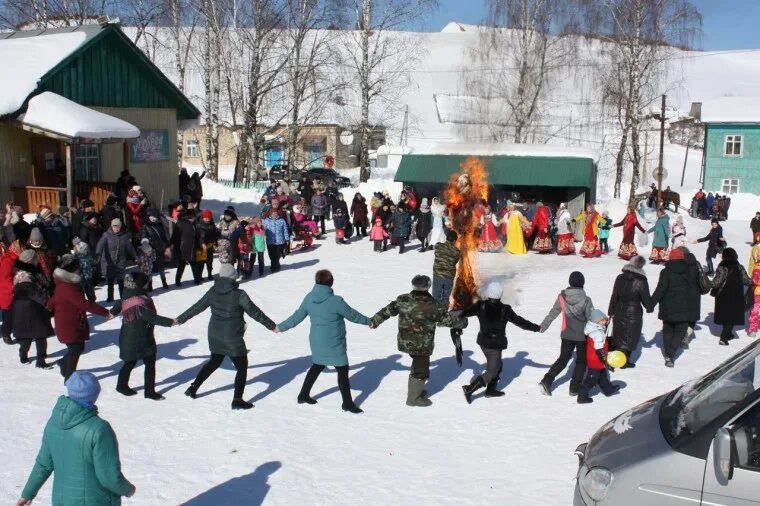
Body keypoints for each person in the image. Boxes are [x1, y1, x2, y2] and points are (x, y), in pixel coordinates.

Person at [17, 371, 136, 505]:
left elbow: (43, 464)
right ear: (94, 395)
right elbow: (108, 476)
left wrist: (28, 493)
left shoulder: (54, 423)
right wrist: (128, 489)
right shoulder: (99, 428)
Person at [179, 263, 276, 409]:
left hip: (215, 335)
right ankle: (237, 400)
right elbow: (255, 312)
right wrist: (272, 326)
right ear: (233, 277)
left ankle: (193, 387)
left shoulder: (212, 291)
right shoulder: (239, 294)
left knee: (214, 361)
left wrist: (180, 319)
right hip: (232, 338)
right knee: (242, 367)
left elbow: (197, 307)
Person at [276, 269, 371, 413]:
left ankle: (303, 394)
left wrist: (280, 327)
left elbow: (297, 316)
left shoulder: (309, 298)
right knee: (342, 370)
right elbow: (353, 315)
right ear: (331, 283)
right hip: (334, 342)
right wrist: (369, 321)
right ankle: (347, 403)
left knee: (317, 365)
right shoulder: (336, 301)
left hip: (317, 340)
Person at [371, 274, 467, 407]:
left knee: (417, 364)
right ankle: (413, 399)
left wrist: (375, 321)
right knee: (421, 370)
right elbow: (448, 320)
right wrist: (463, 322)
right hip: (422, 345)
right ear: (428, 286)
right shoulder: (434, 305)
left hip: (405, 341)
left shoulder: (403, 300)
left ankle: (416, 390)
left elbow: (387, 311)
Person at [459, 280, 540, 402]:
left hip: (483, 342)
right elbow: (520, 322)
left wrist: (454, 318)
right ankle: (469, 389)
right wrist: (536, 328)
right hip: (494, 346)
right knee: (492, 370)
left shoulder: (481, 305)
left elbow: (464, 313)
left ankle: (491, 390)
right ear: (500, 294)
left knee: (499, 365)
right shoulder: (505, 309)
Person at [111, 273, 175, 400]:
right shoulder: (138, 303)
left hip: (139, 336)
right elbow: (152, 318)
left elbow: (114, 311)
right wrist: (172, 322)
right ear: (140, 285)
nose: (148, 284)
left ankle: (127, 386)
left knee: (135, 362)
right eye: (147, 282)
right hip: (135, 339)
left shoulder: (127, 295)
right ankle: (144, 391)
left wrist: (111, 313)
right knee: (137, 362)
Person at [48, 255, 112, 380]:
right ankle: (69, 377)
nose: (79, 271)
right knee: (76, 349)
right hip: (69, 324)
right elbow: (83, 303)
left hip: (72, 322)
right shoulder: (67, 287)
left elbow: (54, 300)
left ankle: (63, 363)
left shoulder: (64, 283)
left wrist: (50, 305)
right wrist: (105, 313)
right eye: (77, 269)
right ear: (71, 272)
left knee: (77, 348)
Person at [538, 271, 594, 396]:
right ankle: (574, 388)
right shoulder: (586, 300)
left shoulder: (562, 297)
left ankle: (546, 380)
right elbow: (592, 317)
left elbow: (554, 312)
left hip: (566, 334)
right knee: (581, 361)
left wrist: (543, 325)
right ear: (582, 284)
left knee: (563, 359)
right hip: (582, 336)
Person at [649, 247, 697, 367]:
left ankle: (668, 354)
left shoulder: (666, 272)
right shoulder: (689, 271)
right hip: (684, 306)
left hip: (668, 307)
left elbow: (660, 289)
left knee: (668, 329)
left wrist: (651, 304)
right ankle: (671, 353)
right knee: (680, 331)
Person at [11, 249, 54, 368]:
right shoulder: (23, 276)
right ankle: (23, 354)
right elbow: (31, 292)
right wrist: (47, 302)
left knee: (40, 335)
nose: (37, 260)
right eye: (35, 259)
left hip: (34, 307)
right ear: (30, 261)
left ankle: (40, 361)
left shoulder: (32, 271)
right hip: (27, 308)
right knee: (29, 336)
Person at [607, 256, 651, 368]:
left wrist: (611, 311)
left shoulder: (619, 278)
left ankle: (615, 362)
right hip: (634, 313)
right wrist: (651, 305)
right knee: (630, 339)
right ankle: (623, 362)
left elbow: (614, 296)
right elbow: (647, 301)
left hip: (619, 311)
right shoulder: (642, 281)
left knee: (618, 337)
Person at [710, 247, 752, 345]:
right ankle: (724, 338)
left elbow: (716, 283)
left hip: (723, 295)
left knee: (726, 315)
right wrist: (753, 282)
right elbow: (746, 280)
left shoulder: (722, 267)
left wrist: (708, 283)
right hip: (736, 295)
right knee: (732, 316)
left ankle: (726, 335)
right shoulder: (739, 267)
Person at [577, 310, 620, 404]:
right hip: (596, 359)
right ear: (595, 321)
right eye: (602, 321)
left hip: (593, 358)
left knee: (602, 375)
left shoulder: (593, 328)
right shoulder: (598, 333)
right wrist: (605, 361)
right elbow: (599, 349)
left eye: (604, 319)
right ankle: (582, 396)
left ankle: (608, 389)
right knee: (591, 379)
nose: (604, 322)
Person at [96, 218, 137, 302]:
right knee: (110, 281)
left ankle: (122, 297)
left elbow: (129, 247)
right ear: (111, 226)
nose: (116, 228)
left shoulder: (124, 236)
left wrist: (135, 255)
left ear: (120, 226)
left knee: (120, 281)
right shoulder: (106, 235)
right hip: (109, 261)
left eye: (117, 226)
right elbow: (100, 244)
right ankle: (110, 297)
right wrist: (98, 253)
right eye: (114, 226)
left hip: (120, 261)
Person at [141, 208, 170, 290]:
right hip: (151, 251)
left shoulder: (160, 225)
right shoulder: (145, 226)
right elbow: (143, 237)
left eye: (155, 217)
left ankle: (164, 281)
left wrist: (167, 245)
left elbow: (164, 237)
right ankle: (150, 284)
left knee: (161, 267)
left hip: (160, 249)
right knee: (150, 268)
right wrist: (146, 247)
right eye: (152, 217)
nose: (154, 218)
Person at [171, 208, 201, 286]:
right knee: (181, 265)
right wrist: (173, 246)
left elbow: (197, 236)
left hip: (192, 247)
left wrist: (199, 245)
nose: (194, 218)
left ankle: (197, 280)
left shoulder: (194, 223)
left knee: (194, 265)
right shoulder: (181, 223)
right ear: (188, 217)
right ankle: (177, 280)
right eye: (193, 217)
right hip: (183, 248)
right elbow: (175, 236)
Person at [432, 229, 459, 305]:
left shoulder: (438, 246)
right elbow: (455, 261)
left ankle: (435, 313)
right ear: (454, 240)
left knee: (435, 296)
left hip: (438, 275)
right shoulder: (456, 252)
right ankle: (444, 313)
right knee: (445, 298)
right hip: (449, 276)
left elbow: (436, 253)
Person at [263, 209, 289, 273]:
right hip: (270, 241)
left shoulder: (281, 220)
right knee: (271, 255)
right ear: (270, 214)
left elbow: (285, 230)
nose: (274, 214)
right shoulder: (266, 221)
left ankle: (274, 267)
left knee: (277, 255)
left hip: (279, 241)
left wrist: (287, 239)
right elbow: (263, 230)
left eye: (276, 213)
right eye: (273, 213)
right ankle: (275, 265)